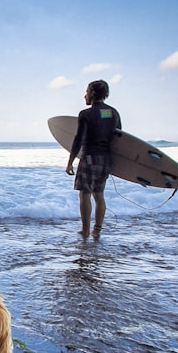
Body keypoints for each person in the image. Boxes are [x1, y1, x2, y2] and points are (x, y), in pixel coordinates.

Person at [65, 80, 121, 239]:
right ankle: (97, 230)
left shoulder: (86, 114)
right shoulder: (113, 113)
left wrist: (70, 161)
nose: (85, 95)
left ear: (93, 94)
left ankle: (85, 230)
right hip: (106, 160)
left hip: (89, 158)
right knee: (99, 194)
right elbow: (120, 138)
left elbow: (78, 139)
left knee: (85, 194)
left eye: (87, 92)